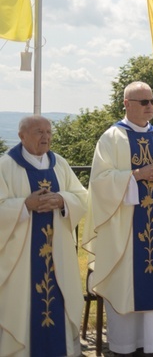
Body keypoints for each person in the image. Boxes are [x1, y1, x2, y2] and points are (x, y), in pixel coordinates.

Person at [84, 81, 153, 355]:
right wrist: (137, 175)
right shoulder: (111, 138)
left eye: (152, 101)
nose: (150, 106)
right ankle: (125, 344)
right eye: (143, 102)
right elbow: (100, 182)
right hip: (125, 230)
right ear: (127, 104)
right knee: (125, 281)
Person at [0, 116, 88, 356]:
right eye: (39, 132)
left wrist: (62, 200)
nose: (46, 137)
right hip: (21, 259)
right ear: (22, 136)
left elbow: (82, 197)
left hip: (57, 253)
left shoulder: (59, 163)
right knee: (23, 305)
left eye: (48, 132)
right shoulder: (5, 166)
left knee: (58, 299)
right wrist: (25, 205)